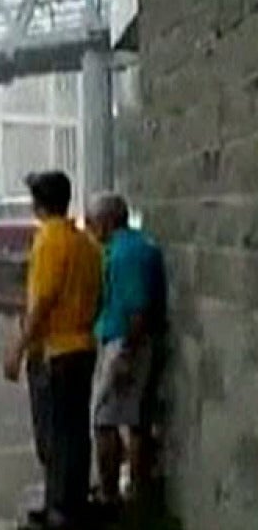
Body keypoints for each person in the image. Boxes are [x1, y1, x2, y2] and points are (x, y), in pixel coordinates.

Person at [3, 171, 101, 529]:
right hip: (84, 348)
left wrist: (17, 347)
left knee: (53, 435)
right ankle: (69, 503)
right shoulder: (86, 243)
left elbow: (42, 301)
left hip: (54, 353)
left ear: (38, 203)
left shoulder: (49, 240)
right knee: (75, 432)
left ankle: (59, 509)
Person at [87, 193, 168, 511]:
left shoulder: (123, 256)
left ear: (107, 221)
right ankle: (136, 488)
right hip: (134, 340)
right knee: (136, 420)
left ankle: (112, 494)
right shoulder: (141, 245)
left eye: (94, 224)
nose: (93, 231)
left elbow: (136, 311)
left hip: (125, 342)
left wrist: (126, 357)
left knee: (103, 420)